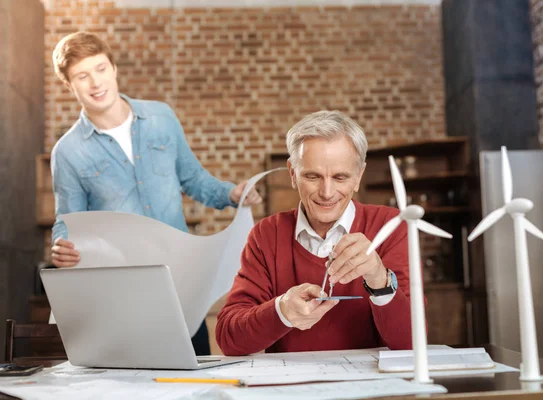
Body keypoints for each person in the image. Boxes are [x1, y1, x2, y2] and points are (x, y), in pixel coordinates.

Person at [49, 31, 262, 355]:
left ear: (114, 68)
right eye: (82, 75)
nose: (95, 82)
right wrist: (61, 246)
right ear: (69, 85)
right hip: (122, 295)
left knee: (197, 380)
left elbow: (194, 179)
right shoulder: (68, 152)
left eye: (101, 68)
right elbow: (68, 222)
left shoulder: (161, 118)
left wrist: (231, 193)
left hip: (180, 285)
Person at [216, 110, 416, 356]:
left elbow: (411, 344)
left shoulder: (390, 227)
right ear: (292, 174)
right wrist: (281, 311)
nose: (327, 192)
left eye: (341, 177)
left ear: (358, 177)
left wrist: (379, 278)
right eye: (312, 176)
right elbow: (229, 339)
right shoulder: (266, 235)